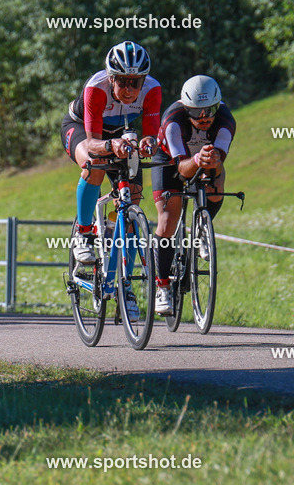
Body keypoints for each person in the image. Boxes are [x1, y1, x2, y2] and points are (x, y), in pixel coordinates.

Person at [60, 41, 161, 317]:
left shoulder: (153, 89)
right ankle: (84, 233)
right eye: (123, 82)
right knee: (95, 165)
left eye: (135, 83)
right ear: (111, 78)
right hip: (83, 131)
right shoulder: (96, 88)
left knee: (133, 199)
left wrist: (149, 143)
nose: (129, 89)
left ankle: (124, 285)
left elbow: (151, 134)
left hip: (122, 135)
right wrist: (110, 145)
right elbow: (93, 142)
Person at [151, 75, 236, 315]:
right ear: (186, 108)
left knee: (217, 185)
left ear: (218, 106)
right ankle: (162, 287)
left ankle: (201, 229)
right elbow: (181, 170)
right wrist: (198, 159)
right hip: (170, 161)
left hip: (203, 158)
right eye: (197, 112)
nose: (204, 117)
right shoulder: (173, 121)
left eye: (210, 110)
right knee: (168, 220)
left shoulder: (226, 121)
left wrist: (211, 162)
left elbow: (217, 165)